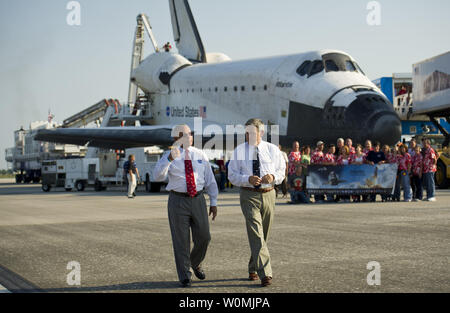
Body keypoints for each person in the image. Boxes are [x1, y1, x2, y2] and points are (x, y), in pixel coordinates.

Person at [153, 124, 218, 288]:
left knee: (204, 237)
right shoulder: (169, 155)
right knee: (181, 240)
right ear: (177, 137)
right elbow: (157, 177)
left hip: (198, 200)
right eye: (187, 134)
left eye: (190, 134)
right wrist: (169, 160)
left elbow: (210, 180)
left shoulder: (200, 154)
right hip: (178, 201)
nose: (190, 136)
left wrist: (214, 202)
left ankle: (195, 262)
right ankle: (185, 276)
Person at [228, 118, 286, 287]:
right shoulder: (239, 151)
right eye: (246, 133)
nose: (248, 135)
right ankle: (265, 273)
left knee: (263, 235)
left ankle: (253, 266)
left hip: (269, 194)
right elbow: (232, 176)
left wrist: (273, 177)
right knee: (256, 233)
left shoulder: (272, 149)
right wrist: (247, 178)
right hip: (249, 195)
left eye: (252, 132)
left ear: (261, 133)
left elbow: (282, 171)